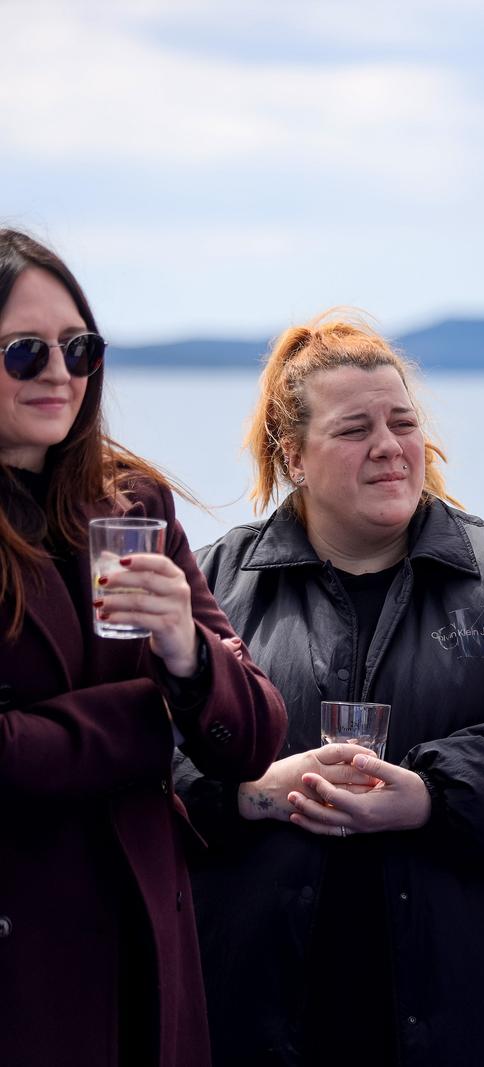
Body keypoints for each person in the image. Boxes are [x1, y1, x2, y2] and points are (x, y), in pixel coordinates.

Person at [173, 316, 484, 1065]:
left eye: (403, 422)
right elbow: (148, 752)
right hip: (263, 1017)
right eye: (355, 428)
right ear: (294, 455)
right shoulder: (221, 584)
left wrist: (431, 793)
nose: (389, 446)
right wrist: (256, 790)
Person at [0, 228, 287, 1065]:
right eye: (24, 352)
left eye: (79, 347)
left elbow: (257, 735)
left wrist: (187, 651)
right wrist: (144, 723)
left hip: (143, 943)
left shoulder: (128, 500)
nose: (60, 372)